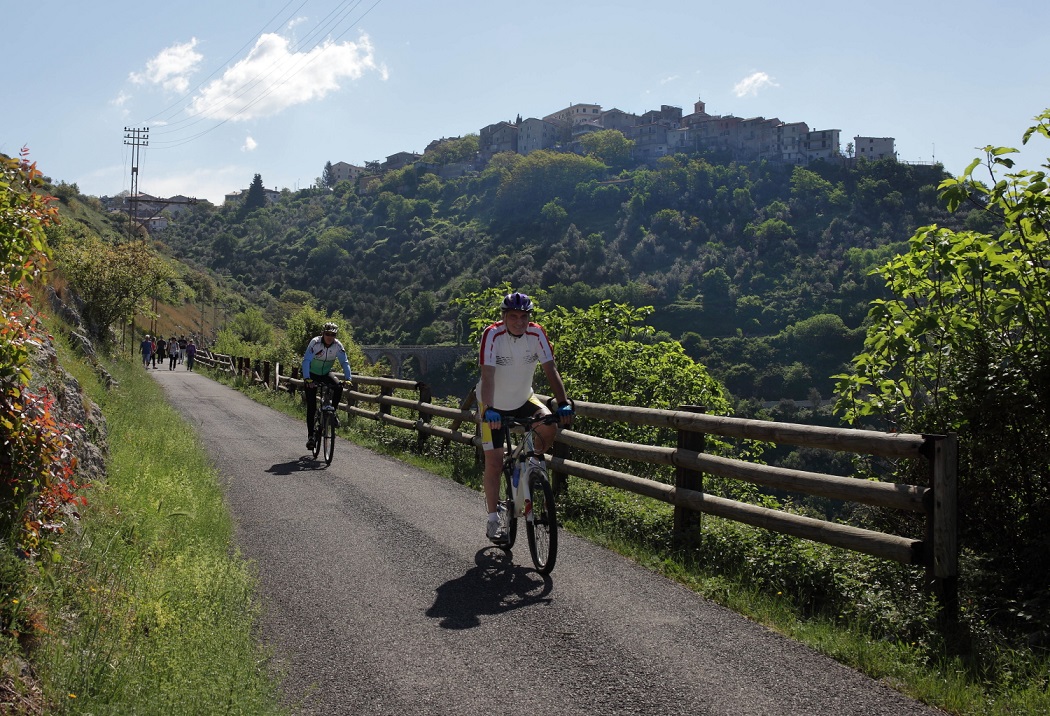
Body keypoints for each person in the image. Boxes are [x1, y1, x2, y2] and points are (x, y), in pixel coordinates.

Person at [476, 291, 573, 543]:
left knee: (549, 424)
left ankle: (526, 464)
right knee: (494, 463)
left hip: (523, 399)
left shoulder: (536, 333)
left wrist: (562, 402)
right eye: (513, 316)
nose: (519, 322)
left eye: (524, 316)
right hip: (493, 404)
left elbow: (550, 369)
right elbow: (487, 375)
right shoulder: (492, 335)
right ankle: (493, 518)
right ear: (504, 317)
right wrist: (489, 408)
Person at [301, 322, 353, 450]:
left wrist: (348, 378)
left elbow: (344, 362)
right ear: (323, 334)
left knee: (338, 386)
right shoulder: (315, 343)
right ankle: (311, 437)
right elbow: (306, 360)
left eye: (333, 334)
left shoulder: (337, 345)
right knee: (312, 406)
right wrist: (307, 378)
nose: (330, 337)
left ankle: (332, 413)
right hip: (312, 375)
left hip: (325, 373)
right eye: (327, 334)